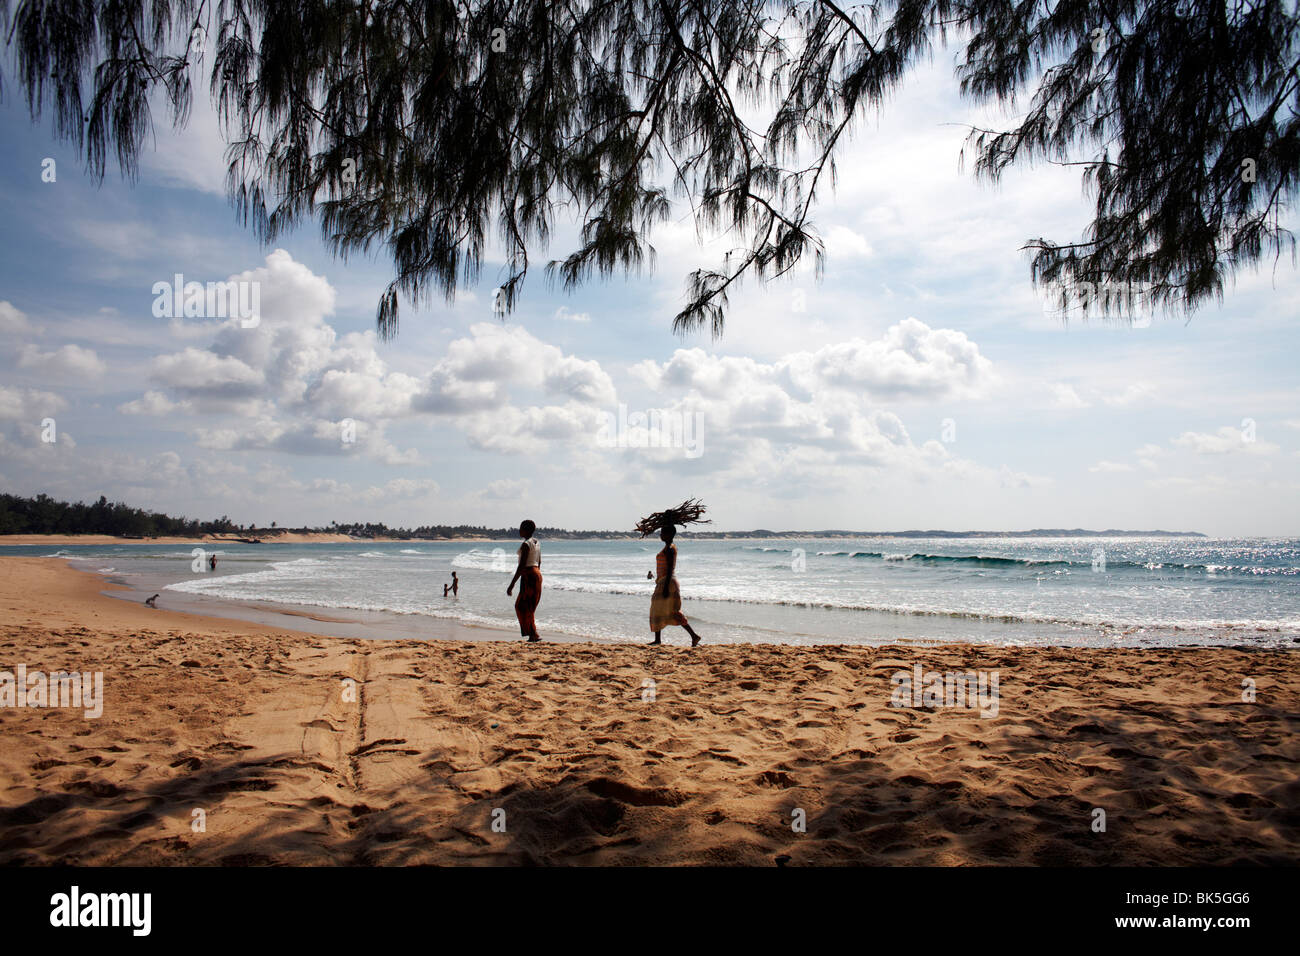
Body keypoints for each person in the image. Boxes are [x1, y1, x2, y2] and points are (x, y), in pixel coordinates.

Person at [649, 524, 702, 646]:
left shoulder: (670, 549)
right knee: (660, 609)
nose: (660, 535)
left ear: (669, 535)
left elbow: (670, 568)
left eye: (662, 533)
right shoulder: (668, 547)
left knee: (666, 610)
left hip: (668, 583)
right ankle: (693, 636)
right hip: (664, 581)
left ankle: (693, 636)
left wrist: (666, 587)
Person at [506, 520, 542, 642]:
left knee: (522, 606)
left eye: (521, 528)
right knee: (529, 606)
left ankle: (533, 634)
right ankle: (533, 633)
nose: (519, 530)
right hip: (537, 573)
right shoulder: (537, 542)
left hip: (528, 574)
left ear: (526, 530)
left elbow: (521, 566)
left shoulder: (526, 544)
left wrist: (512, 584)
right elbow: (539, 561)